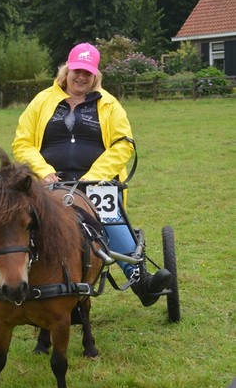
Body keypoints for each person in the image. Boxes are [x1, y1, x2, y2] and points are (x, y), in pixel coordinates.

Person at [11, 42, 171, 306]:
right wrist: (44, 171)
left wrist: (95, 175)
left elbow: (123, 144)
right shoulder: (42, 101)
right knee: (17, 221)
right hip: (48, 183)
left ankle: (140, 280)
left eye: (88, 72)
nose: (81, 77)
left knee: (110, 218)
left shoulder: (109, 104)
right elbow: (22, 142)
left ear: (95, 75)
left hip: (96, 184)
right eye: (77, 71)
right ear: (67, 70)